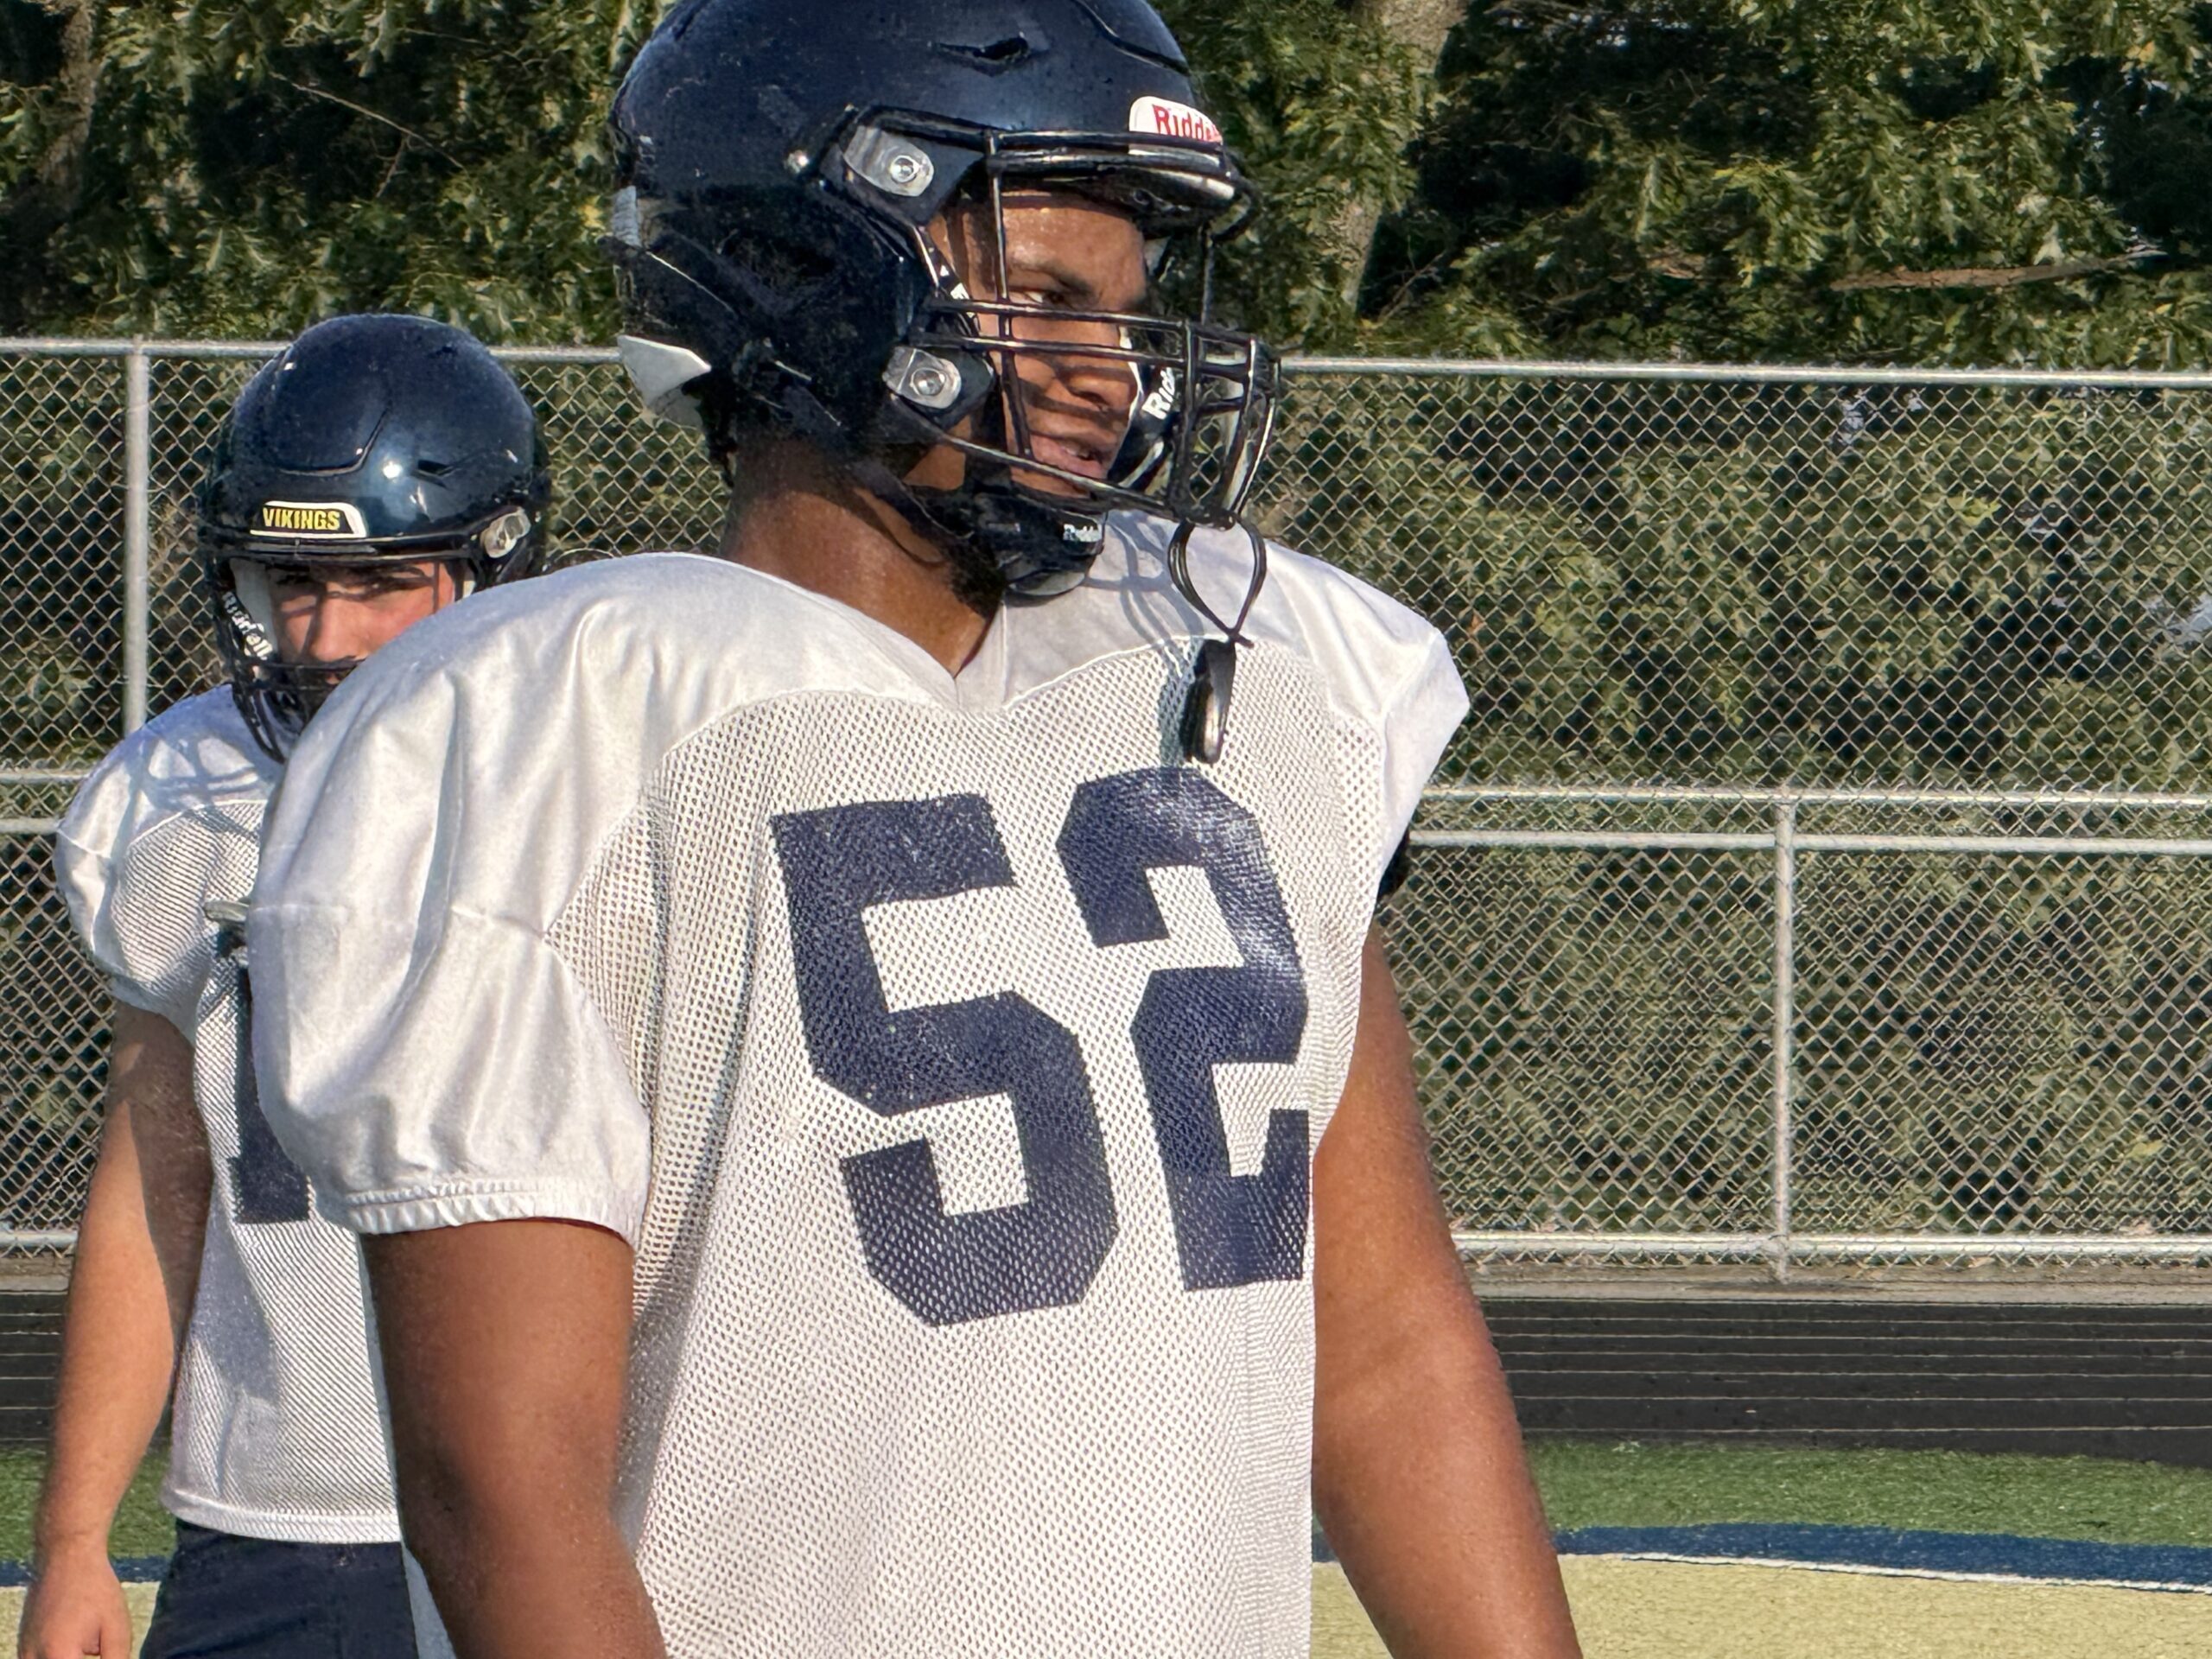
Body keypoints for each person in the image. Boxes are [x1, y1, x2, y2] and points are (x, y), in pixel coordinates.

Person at [251, 3, 1582, 1655]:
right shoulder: (556, 728)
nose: (1112, 371)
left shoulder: (1248, 673)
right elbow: (500, 1483)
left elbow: (1383, 1346)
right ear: (808, 269)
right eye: (1049, 297)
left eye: (1131, 309)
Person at [22, 313, 549, 1659]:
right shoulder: (174, 800)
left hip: (554, 1495)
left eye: (380, 582)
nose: (324, 634)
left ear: (491, 564)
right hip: (275, 1511)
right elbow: (159, 1173)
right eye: (291, 581)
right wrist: (74, 1537)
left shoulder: (590, 771)